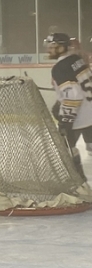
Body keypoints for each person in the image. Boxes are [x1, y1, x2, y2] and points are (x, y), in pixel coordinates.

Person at [45, 33, 92, 180]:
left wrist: (65, 119)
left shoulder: (60, 67)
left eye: (52, 46)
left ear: (61, 47)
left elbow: (73, 96)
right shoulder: (76, 60)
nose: (49, 50)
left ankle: (79, 181)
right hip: (90, 110)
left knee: (67, 149)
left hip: (79, 116)